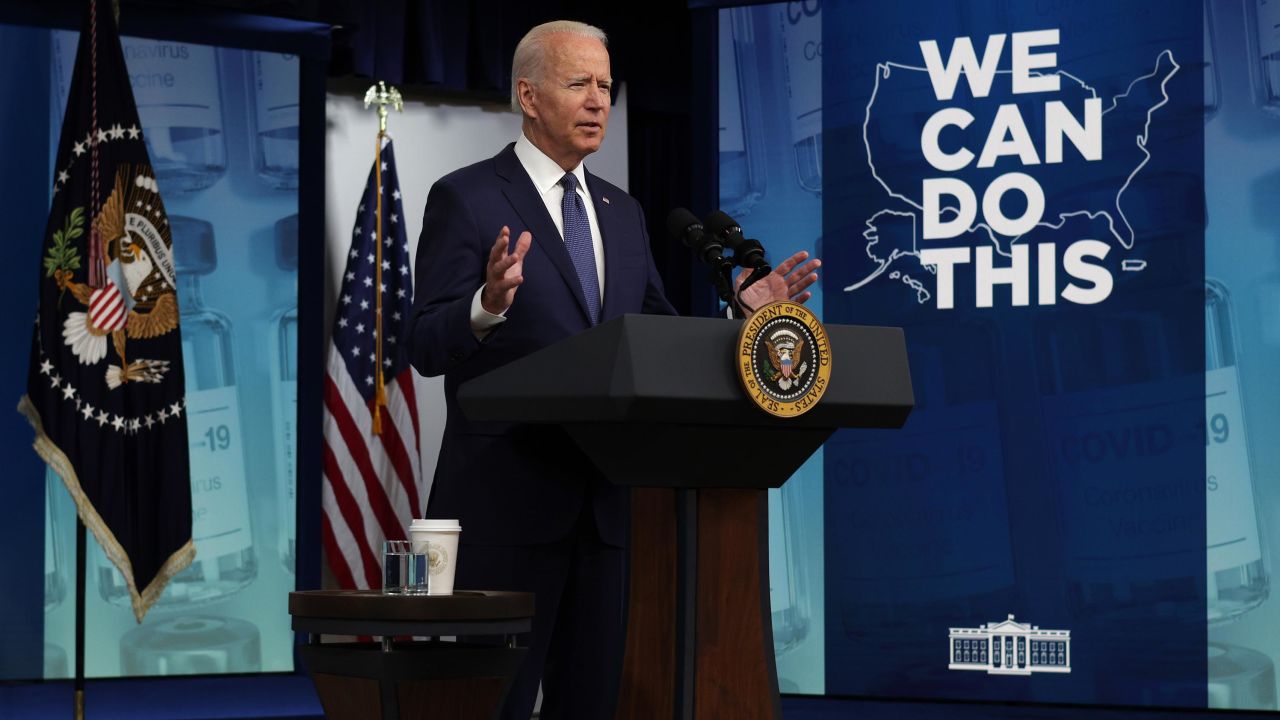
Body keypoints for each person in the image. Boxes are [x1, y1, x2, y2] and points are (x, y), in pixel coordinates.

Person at [406, 20, 819, 719]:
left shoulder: (621, 212)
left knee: (592, 703)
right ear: (528, 96)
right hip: (507, 505)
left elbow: (656, 341)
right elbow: (422, 344)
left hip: (608, 511)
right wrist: (484, 304)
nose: (598, 100)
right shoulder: (467, 198)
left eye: (605, 85)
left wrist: (741, 318)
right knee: (490, 706)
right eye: (579, 84)